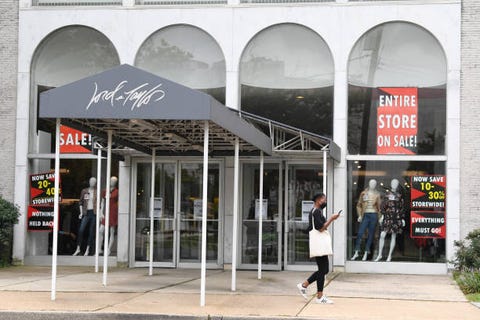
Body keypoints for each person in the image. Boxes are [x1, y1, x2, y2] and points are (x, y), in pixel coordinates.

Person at [296, 193, 340, 304]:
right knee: (323, 269)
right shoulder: (315, 212)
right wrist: (331, 218)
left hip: (319, 243)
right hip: (319, 243)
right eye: (324, 199)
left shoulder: (315, 211)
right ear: (318, 200)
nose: (325, 202)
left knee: (324, 269)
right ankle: (319, 297)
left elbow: (312, 228)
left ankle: (304, 285)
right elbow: (320, 228)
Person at [375, 178, 405, 262]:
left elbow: (402, 207)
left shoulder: (399, 196)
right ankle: (380, 254)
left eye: (396, 183)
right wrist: (382, 216)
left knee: (393, 236)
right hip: (388, 216)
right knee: (382, 235)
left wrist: (402, 218)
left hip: (396, 217)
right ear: (391, 184)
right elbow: (383, 205)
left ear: (398, 184)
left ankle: (389, 256)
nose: (394, 184)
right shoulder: (386, 194)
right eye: (393, 183)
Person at [351, 179, 381, 261]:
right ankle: (356, 252)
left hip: (374, 215)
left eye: (374, 184)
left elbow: (379, 207)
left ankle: (365, 253)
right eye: (371, 183)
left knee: (371, 234)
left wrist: (380, 217)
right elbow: (359, 205)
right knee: (360, 233)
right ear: (368, 184)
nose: (373, 185)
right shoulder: (364, 193)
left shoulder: (377, 194)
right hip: (365, 215)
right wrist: (360, 215)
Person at [73, 177, 98, 256]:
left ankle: (87, 249)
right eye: (91, 181)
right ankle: (78, 248)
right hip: (86, 213)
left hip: (93, 213)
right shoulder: (85, 191)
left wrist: (100, 213)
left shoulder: (96, 192)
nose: (92, 183)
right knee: (81, 230)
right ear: (89, 182)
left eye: (94, 182)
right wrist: (81, 213)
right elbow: (81, 202)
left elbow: (99, 203)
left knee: (91, 232)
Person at [98, 176, 119, 256]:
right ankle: (100, 248)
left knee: (112, 231)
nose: (112, 182)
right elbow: (102, 202)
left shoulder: (117, 192)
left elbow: (119, 202)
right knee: (101, 230)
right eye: (111, 180)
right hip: (106, 212)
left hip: (113, 212)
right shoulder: (105, 191)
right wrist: (101, 212)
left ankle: (108, 249)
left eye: (114, 181)